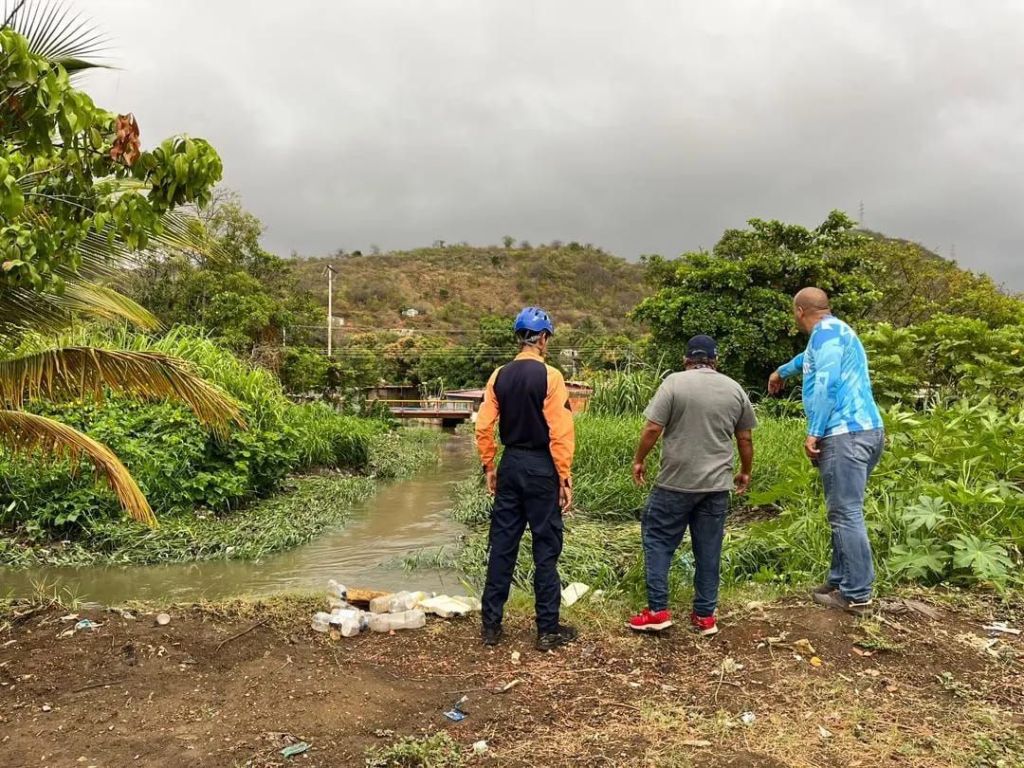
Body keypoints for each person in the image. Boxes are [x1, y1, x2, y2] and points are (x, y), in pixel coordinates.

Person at [629, 335, 756, 636]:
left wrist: (639, 460)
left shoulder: (673, 383)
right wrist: (745, 471)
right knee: (708, 550)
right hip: (716, 486)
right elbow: (745, 438)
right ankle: (705, 616)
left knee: (658, 540)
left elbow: (653, 428)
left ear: (686, 359)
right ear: (715, 360)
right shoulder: (734, 388)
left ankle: (657, 611)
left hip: (675, 482)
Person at [768, 287, 884, 616]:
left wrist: (814, 430)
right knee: (842, 511)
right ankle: (839, 581)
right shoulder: (836, 332)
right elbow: (807, 361)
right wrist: (781, 372)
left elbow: (827, 383)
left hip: (845, 434)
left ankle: (857, 594)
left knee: (846, 513)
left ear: (799, 311)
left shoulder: (825, 333)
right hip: (866, 432)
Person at [475, 306, 577, 651]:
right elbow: (560, 432)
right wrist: (564, 477)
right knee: (545, 549)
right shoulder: (551, 377)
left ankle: (491, 626)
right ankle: (547, 630)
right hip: (540, 467)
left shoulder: (499, 375)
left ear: (519, 337)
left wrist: (490, 466)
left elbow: (483, 426)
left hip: (510, 464)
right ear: (543, 338)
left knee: (502, 545)